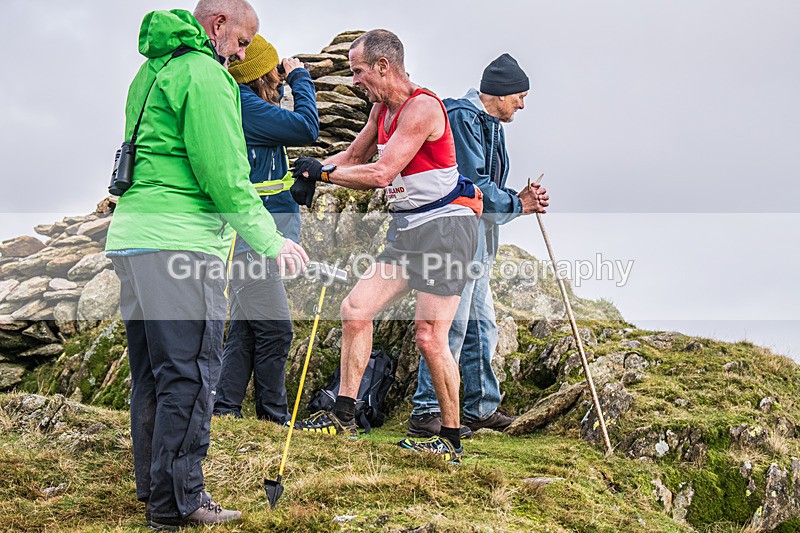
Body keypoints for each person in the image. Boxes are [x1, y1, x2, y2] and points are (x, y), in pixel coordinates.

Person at [105, 2, 308, 529]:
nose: (241, 56)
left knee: (152, 374)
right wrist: (272, 241)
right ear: (217, 25)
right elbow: (224, 177)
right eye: (241, 43)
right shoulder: (204, 74)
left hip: (133, 240)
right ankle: (178, 503)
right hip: (181, 243)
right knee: (192, 374)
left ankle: (154, 490)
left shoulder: (151, 72)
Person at [290, 29, 519, 463]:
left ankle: (449, 439)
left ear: (383, 66)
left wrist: (322, 175)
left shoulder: (423, 108)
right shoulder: (382, 108)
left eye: (358, 71)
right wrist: (306, 171)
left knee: (430, 336)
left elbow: (380, 172)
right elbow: (355, 157)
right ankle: (343, 416)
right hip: (408, 230)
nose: (355, 80)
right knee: (356, 309)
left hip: (447, 230)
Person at [408, 54, 549, 438]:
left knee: (481, 326)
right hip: (456, 240)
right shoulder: (463, 118)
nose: (521, 104)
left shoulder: (490, 124)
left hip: (479, 245)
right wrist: (519, 203)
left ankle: (480, 408)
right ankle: (426, 410)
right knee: (448, 327)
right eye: (519, 95)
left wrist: (517, 198)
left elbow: (489, 187)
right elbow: (471, 186)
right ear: (500, 93)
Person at [213, 35, 319, 423]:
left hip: (259, 238)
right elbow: (307, 127)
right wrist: (301, 79)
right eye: (274, 69)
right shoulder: (246, 107)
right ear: (261, 74)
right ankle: (274, 417)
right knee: (276, 331)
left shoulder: (251, 105)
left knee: (245, 331)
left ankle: (224, 408)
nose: (280, 75)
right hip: (253, 241)